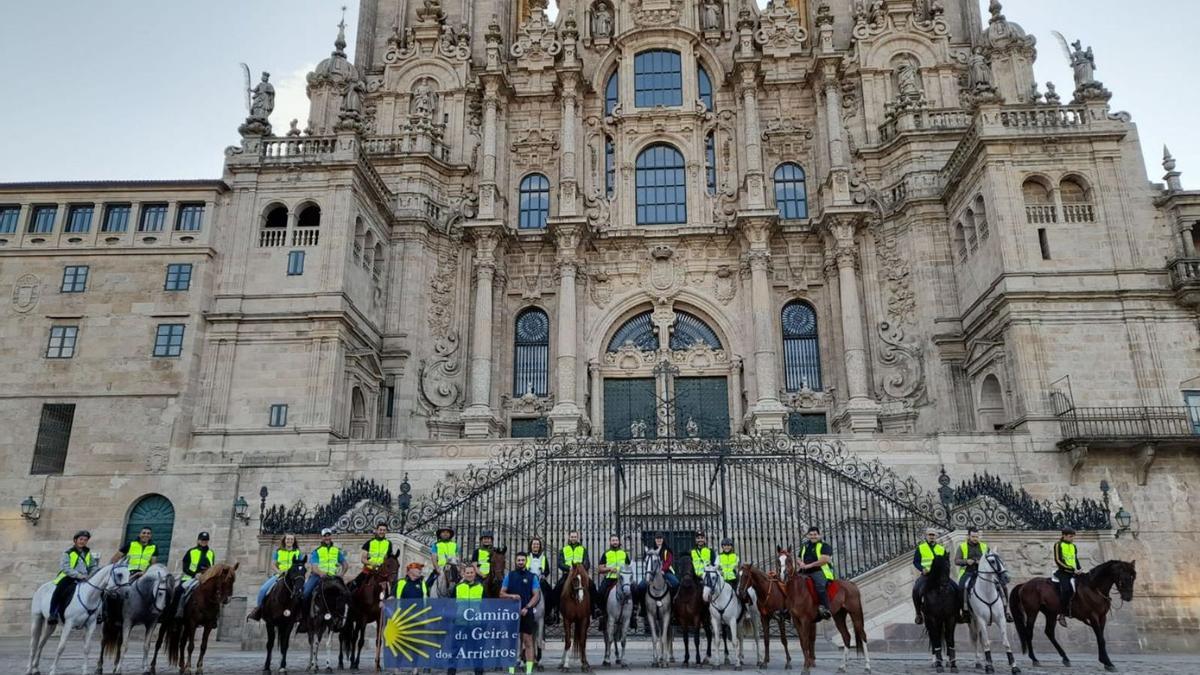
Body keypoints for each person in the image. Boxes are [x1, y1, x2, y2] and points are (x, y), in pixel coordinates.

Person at [955, 527, 1009, 623]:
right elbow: (957, 560)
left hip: (985, 573)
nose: (975, 538)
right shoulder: (962, 546)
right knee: (961, 588)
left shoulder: (984, 546)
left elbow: (991, 558)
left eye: (977, 536)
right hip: (968, 572)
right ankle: (964, 612)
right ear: (968, 536)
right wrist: (966, 561)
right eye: (973, 536)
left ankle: (1005, 611)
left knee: (1002, 586)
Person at [501, 552, 542, 675]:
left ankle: (529, 671)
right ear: (515, 561)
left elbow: (536, 595)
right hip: (512, 614)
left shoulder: (532, 577)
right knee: (512, 642)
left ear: (526, 561)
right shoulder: (510, 576)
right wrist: (511, 595)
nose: (520, 562)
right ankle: (511, 669)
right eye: (518, 560)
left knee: (528, 641)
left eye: (522, 560)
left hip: (526, 613)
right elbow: (501, 593)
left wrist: (527, 607)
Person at [248, 533, 304, 621]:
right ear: (284, 540)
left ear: (294, 541)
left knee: (302, 592)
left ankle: (300, 614)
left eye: (291, 539)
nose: (289, 541)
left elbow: (300, 565)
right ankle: (258, 610)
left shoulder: (298, 552)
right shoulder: (278, 551)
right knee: (263, 589)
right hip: (280, 575)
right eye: (288, 539)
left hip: (293, 577)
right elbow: (273, 565)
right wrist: (279, 572)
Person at [50, 530, 97, 624]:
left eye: (85, 540)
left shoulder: (88, 553)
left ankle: (98, 614)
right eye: (81, 539)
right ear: (75, 540)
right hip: (69, 577)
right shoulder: (68, 552)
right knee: (59, 591)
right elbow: (65, 567)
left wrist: (90, 575)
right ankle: (53, 613)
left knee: (99, 590)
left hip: (85, 578)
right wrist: (79, 575)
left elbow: (93, 566)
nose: (82, 541)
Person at [448, 564, 485, 675]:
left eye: (471, 572)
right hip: (460, 622)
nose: (469, 575)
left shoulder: (481, 587)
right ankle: (451, 670)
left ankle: (478, 671)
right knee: (455, 648)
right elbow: (451, 604)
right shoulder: (458, 587)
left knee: (477, 649)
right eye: (467, 573)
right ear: (463, 574)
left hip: (475, 623)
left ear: (475, 574)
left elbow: (486, 605)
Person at [912, 527, 951, 624]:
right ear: (926, 536)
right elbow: (916, 561)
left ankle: (957, 613)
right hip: (927, 575)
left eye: (933, 535)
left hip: (940, 576)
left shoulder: (941, 549)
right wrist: (922, 569)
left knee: (956, 588)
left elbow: (947, 563)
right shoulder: (921, 548)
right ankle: (918, 614)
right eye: (930, 535)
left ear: (936, 536)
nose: (931, 537)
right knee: (915, 590)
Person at [303, 528, 347, 609]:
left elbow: (345, 564)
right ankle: (303, 616)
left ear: (331, 536)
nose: (327, 538)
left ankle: (342, 617)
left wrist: (341, 574)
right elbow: (314, 568)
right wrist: (321, 573)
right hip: (318, 577)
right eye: (325, 536)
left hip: (333, 577)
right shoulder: (316, 551)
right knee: (305, 593)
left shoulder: (336, 551)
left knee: (346, 594)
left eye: (328, 535)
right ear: (322, 537)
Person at [176, 532, 216, 618]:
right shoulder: (191, 551)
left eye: (206, 540)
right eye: (202, 540)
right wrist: (194, 574)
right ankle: (176, 613)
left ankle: (213, 617)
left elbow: (211, 567)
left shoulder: (211, 553)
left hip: (205, 579)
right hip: (190, 578)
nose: (204, 542)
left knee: (217, 592)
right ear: (198, 540)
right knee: (178, 591)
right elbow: (185, 567)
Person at [798, 527, 834, 619]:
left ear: (819, 535)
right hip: (804, 572)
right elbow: (798, 557)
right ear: (808, 536)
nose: (813, 536)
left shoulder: (824, 546)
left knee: (820, 586)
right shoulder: (805, 546)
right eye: (811, 534)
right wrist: (800, 563)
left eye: (815, 534)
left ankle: (826, 609)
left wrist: (809, 565)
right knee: (792, 583)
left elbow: (824, 560)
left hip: (819, 571)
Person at [351, 521, 394, 591]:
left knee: (390, 588)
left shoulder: (389, 543)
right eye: (380, 530)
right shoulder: (369, 543)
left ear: (386, 531)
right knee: (355, 584)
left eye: (384, 530)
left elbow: (389, 559)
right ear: (377, 530)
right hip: (369, 570)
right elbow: (363, 559)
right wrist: (372, 563)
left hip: (381, 572)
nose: (382, 532)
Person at [596, 534, 628, 622]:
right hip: (610, 578)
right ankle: (601, 612)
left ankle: (633, 613)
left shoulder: (624, 553)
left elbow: (628, 567)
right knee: (600, 592)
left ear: (619, 542)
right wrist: (609, 569)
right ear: (610, 542)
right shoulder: (606, 553)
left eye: (616, 540)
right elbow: (600, 569)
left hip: (622, 579)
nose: (615, 542)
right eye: (613, 540)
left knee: (634, 590)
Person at [1054, 527, 1082, 628]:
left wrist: (1079, 568)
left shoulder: (1073, 546)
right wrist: (1071, 569)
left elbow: (1075, 559)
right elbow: (1058, 560)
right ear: (1064, 535)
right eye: (1070, 536)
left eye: (1073, 537)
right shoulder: (1058, 545)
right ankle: (1061, 614)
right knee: (1066, 590)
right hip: (1063, 572)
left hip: (1075, 572)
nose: (1072, 539)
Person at [555, 530, 590, 601]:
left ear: (577, 537)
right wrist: (568, 568)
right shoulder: (563, 549)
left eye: (575, 537)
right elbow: (560, 563)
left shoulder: (583, 549)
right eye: (572, 537)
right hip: (568, 574)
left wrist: (581, 569)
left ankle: (594, 607)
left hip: (580, 574)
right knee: (558, 588)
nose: (573, 538)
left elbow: (587, 563)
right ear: (569, 537)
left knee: (592, 587)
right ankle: (556, 608)